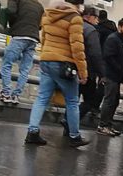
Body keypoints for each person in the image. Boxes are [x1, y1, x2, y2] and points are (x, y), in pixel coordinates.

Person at [24, 0, 89, 148]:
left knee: (41, 98)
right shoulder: (74, 18)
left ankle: (32, 132)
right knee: (72, 101)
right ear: (79, 4)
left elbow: (44, 38)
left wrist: (45, 56)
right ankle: (74, 136)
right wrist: (83, 72)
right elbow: (77, 47)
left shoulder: (48, 13)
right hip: (63, 63)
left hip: (47, 60)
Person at [0, 0, 43, 104]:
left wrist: (14, 24)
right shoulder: (39, 5)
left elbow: (11, 11)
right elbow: (41, 24)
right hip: (33, 38)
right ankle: (16, 95)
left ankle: (6, 93)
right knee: (25, 69)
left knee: (7, 63)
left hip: (20, 35)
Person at [98, 18, 123, 136]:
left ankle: (108, 124)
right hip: (111, 75)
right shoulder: (113, 39)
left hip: (115, 76)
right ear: (119, 27)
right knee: (109, 101)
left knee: (114, 101)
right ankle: (103, 125)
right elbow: (109, 57)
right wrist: (119, 68)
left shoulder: (119, 40)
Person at [76, 6, 105, 122]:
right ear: (89, 16)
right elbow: (95, 53)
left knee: (73, 100)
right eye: (95, 17)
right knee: (90, 101)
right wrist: (102, 73)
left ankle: (69, 126)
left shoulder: (75, 26)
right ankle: (70, 120)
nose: (97, 20)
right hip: (88, 70)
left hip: (73, 69)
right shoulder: (91, 30)